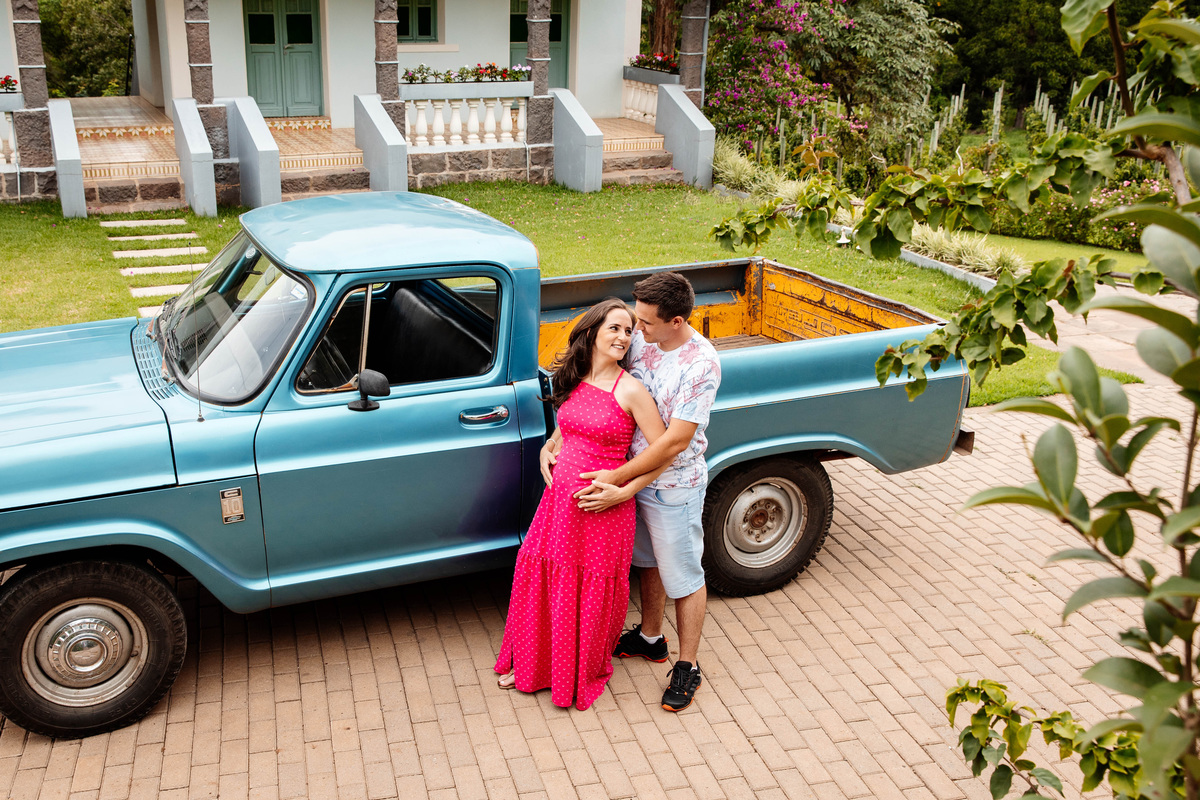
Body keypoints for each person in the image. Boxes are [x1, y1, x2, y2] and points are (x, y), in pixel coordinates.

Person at [494, 298, 667, 710]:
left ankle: (570, 672)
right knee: (543, 578)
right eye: (615, 328)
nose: (624, 337)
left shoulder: (630, 389)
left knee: (585, 591)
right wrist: (547, 448)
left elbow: (664, 453)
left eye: (628, 331)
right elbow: (565, 428)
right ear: (591, 332)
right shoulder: (572, 377)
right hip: (557, 505)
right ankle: (536, 662)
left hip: (603, 511)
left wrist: (625, 491)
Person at [568, 271, 721, 713]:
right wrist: (560, 438)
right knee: (648, 561)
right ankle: (651, 638)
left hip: (673, 485)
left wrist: (618, 481)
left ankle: (688, 666)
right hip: (634, 479)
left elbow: (672, 443)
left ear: (676, 321)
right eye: (635, 321)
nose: (638, 333)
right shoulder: (644, 337)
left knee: (684, 576)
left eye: (647, 324)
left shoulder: (700, 365)